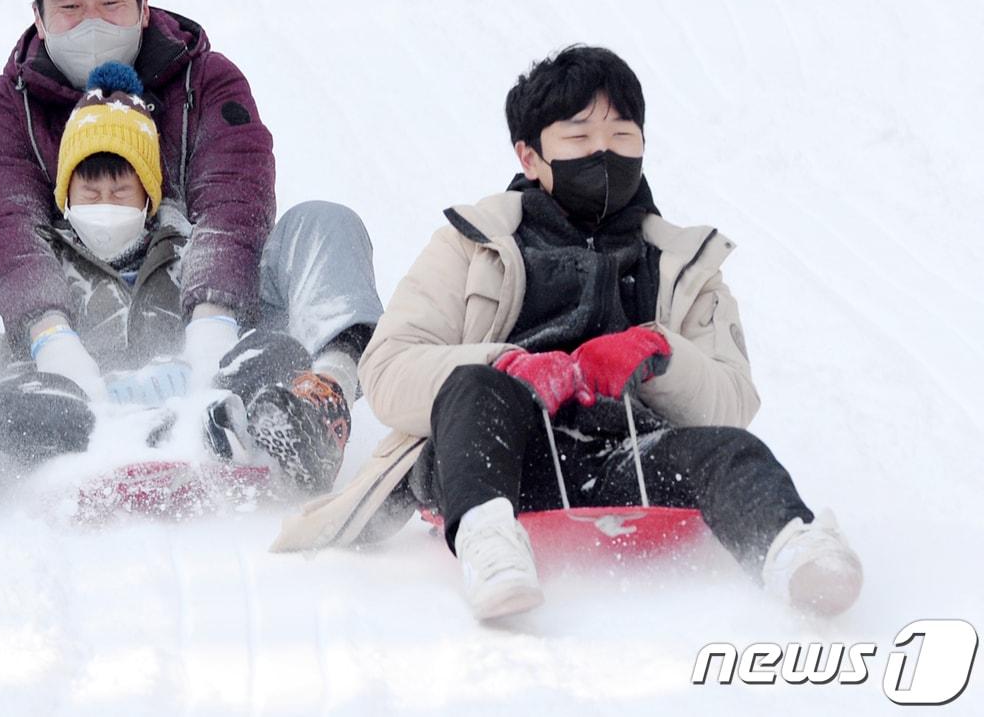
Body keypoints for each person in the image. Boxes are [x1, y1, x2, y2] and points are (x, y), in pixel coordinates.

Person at [271, 45, 864, 620]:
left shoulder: (682, 261)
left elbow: (734, 405)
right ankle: (491, 548)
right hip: (490, 453)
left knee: (731, 452)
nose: (603, 154)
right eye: (579, 139)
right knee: (477, 389)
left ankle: (796, 551)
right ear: (530, 157)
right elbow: (388, 369)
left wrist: (660, 354)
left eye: (621, 137)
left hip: (620, 456)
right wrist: (510, 366)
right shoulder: (474, 243)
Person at [0, 48, 381, 489]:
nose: (104, 202)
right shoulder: (48, 267)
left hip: (211, 395)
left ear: (150, 196)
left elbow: (238, 280)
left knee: (317, 238)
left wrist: (218, 349)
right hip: (76, 408)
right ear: (64, 195)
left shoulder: (192, 248)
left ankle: (313, 403)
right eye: (90, 189)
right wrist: (48, 352)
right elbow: (20, 333)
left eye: (120, 189)